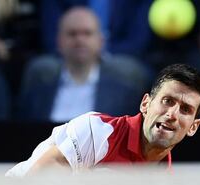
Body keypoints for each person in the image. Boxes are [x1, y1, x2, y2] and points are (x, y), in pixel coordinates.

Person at [0, 63, 200, 185]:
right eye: (167, 101)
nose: (172, 114)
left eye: (185, 109)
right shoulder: (97, 132)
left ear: (193, 127)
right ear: (145, 104)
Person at [17, 6, 148, 123]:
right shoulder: (39, 89)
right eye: (72, 34)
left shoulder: (123, 94)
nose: (80, 40)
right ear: (58, 41)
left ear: (101, 41)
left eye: (87, 33)